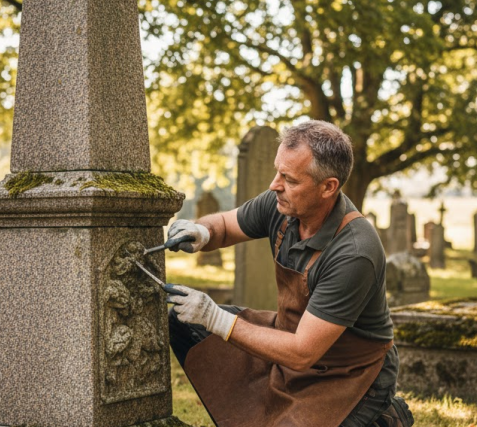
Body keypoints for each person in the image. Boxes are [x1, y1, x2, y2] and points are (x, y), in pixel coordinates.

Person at [166, 120, 413, 427]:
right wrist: (201, 231)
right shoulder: (282, 203)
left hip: (350, 376)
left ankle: (386, 419)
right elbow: (226, 226)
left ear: (328, 187)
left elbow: (302, 353)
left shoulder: (355, 252)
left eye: (290, 179)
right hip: (289, 340)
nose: (274, 185)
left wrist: (214, 317)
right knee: (183, 323)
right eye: (277, 171)